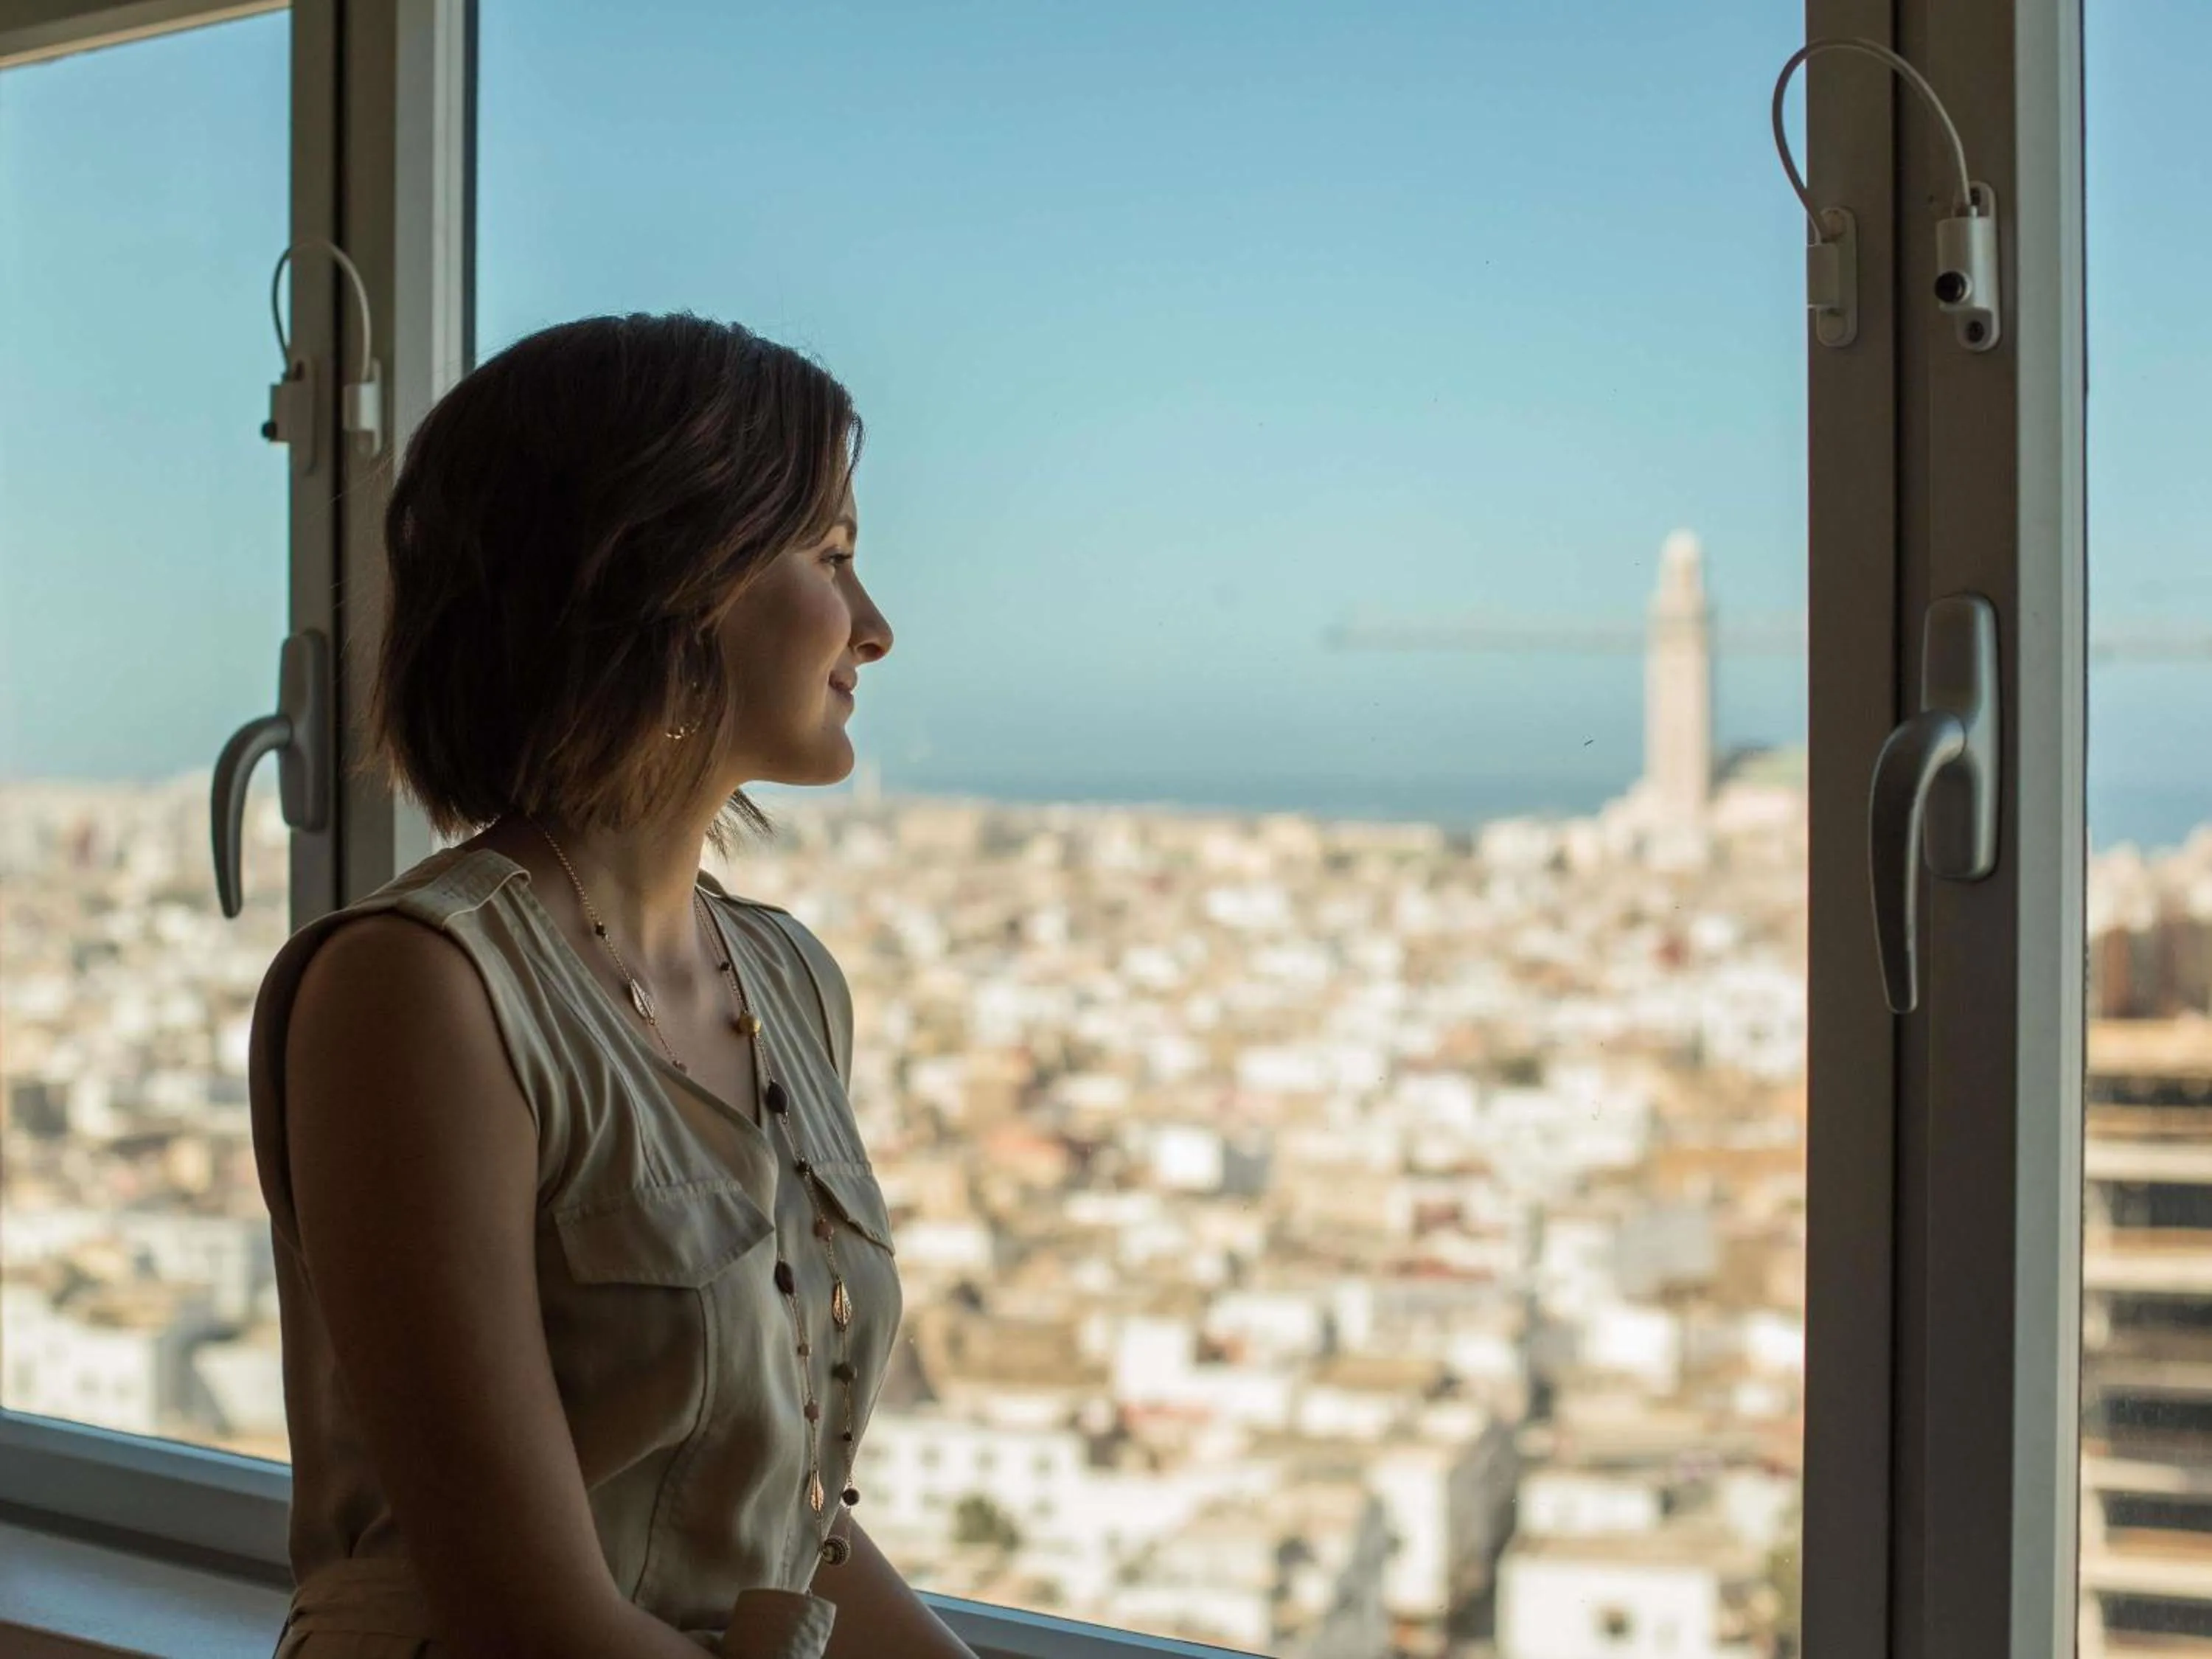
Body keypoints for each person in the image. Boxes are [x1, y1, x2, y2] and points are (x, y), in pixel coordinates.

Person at [248, 314, 975, 1658]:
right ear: (670, 573)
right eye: (831, 557)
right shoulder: (419, 992)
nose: (873, 627)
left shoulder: (788, 984)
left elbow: (780, 1521)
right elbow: (530, 1615)